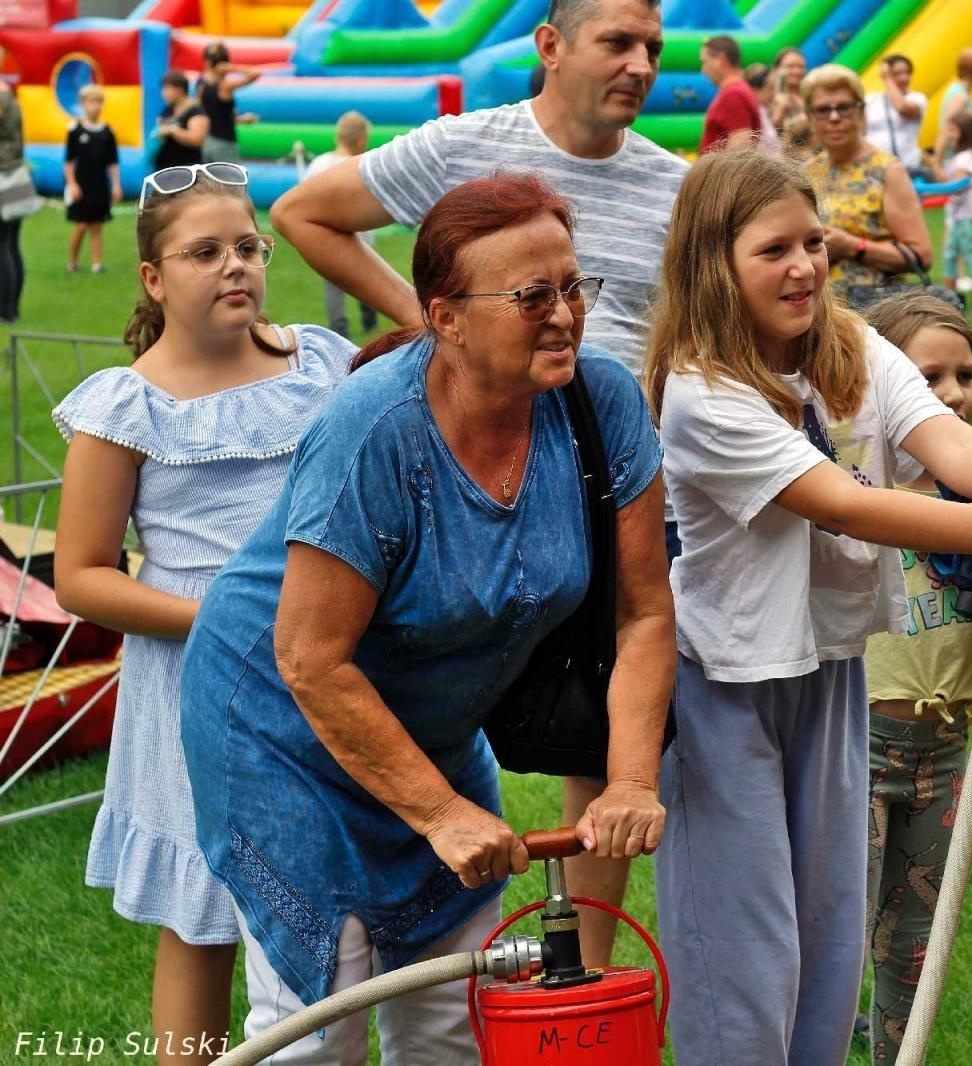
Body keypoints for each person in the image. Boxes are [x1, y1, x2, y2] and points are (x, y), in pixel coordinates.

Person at [644, 147, 972, 1066]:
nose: (805, 267)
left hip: (833, 670)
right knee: (745, 956)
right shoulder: (700, 389)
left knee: (831, 946)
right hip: (726, 687)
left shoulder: (854, 344)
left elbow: (948, 444)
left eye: (814, 242)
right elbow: (841, 501)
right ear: (715, 263)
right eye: (773, 251)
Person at [181, 172, 674, 1062]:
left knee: (455, 1014)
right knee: (318, 1026)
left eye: (573, 287)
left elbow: (643, 613)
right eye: (531, 296)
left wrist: (631, 780)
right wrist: (441, 814)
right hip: (279, 726)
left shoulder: (602, 402)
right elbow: (309, 658)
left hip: (429, 732)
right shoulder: (376, 430)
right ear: (445, 318)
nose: (564, 314)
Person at [271, 0, 686, 969]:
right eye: (616, 42)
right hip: (452, 478)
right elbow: (303, 212)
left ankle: (582, 973)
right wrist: (431, 339)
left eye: (653, 49)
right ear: (549, 46)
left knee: (594, 716)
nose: (638, 65)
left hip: (595, 478)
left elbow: (640, 621)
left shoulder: (673, 189)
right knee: (413, 670)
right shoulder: (466, 148)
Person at [52, 161, 353, 1066]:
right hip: (198, 686)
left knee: (338, 891)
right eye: (205, 252)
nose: (236, 267)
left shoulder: (320, 364)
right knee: (205, 907)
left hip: (330, 669)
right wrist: (222, 616)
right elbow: (79, 577)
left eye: (248, 248)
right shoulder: (126, 407)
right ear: (153, 276)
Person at [857, 292, 972, 1063]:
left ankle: (897, 1052)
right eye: (931, 376)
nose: (955, 392)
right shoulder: (850, 489)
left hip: (946, 750)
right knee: (836, 933)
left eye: (966, 373)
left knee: (913, 943)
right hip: (856, 748)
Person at [801, 64, 933, 297]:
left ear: (861, 113)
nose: (834, 118)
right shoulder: (807, 173)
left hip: (875, 309)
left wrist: (853, 247)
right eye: (822, 110)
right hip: (816, 306)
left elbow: (921, 256)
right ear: (811, 117)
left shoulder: (887, 170)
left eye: (844, 108)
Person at [303, 111, 379, 338]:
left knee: (333, 284)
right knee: (368, 280)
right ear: (362, 141)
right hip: (359, 237)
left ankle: (339, 330)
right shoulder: (362, 165)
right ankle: (370, 322)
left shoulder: (318, 164)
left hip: (325, 235)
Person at [931, 111, 972, 313]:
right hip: (958, 214)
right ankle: (948, 302)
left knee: (971, 255)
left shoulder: (967, 158)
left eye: (953, 130)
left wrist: (926, 193)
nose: (949, 134)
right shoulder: (958, 156)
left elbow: (953, 186)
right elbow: (944, 180)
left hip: (971, 215)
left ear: (965, 132)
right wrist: (936, 157)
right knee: (949, 255)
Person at [65, 85, 121, 275]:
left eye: (99, 102)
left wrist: (116, 184)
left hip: (100, 184)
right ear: (83, 104)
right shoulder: (75, 130)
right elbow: (69, 161)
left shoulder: (107, 132)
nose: (96, 106)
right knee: (81, 225)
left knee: (97, 225)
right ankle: (72, 261)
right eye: (92, 102)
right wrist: (72, 183)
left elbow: (113, 162)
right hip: (82, 184)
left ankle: (96, 264)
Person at [864, 54, 927, 176]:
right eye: (897, 74)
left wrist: (887, 78)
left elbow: (902, 108)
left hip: (906, 168)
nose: (904, 78)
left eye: (907, 73)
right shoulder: (872, 100)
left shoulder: (917, 98)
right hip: (874, 169)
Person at [197, 42, 260, 164]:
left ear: (207, 62)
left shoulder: (201, 84)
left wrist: (240, 119)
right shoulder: (224, 86)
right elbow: (255, 74)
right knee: (232, 181)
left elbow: (212, 115)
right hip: (224, 142)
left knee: (210, 181)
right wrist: (233, 67)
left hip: (207, 141)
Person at [699, 35, 763, 153]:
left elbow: (740, 150)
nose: (703, 70)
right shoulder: (740, 90)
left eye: (705, 62)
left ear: (720, 60)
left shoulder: (733, 94)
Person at [0, 81, 31, 321]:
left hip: (3, 174)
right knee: (12, 243)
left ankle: (4, 311)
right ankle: (13, 309)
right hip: (17, 172)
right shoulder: (12, 96)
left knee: (2, 246)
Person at [152, 71, 208, 172]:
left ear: (179, 89)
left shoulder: (196, 111)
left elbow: (197, 140)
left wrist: (172, 130)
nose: (163, 93)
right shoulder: (169, 108)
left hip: (185, 170)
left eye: (166, 89)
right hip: (165, 169)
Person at [933, 47, 972, 159]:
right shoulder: (959, 96)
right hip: (954, 159)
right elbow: (945, 129)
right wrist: (937, 164)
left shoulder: (962, 92)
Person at [768, 46, 808, 133]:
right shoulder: (768, 96)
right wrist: (781, 111)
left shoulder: (809, 93)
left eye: (800, 67)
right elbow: (766, 132)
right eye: (790, 66)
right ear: (777, 69)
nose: (796, 71)